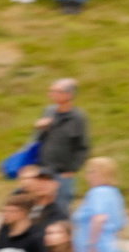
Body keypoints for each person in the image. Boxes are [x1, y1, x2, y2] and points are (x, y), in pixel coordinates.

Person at [35, 78, 90, 209]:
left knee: (61, 207)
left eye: (57, 91)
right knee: (40, 206)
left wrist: (72, 170)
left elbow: (83, 147)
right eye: (51, 91)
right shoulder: (48, 111)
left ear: (69, 95)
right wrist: (41, 128)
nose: (52, 94)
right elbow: (39, 140)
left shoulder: (77, 118)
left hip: (62, 174)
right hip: (44, 170)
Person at [72, 156, 127, 252]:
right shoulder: (114, 193)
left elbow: (99, 218)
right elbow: (120, 222)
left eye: (91, 172)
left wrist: (92, 246)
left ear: (101, 174)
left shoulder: (98, 193)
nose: (87, 176)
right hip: (111, 249)